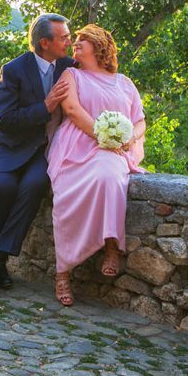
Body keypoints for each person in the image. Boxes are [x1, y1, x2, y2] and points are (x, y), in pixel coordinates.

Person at [46, 24, 146, 306]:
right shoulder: (71, 75)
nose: (75, 45)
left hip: (111, 150)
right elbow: (73, 111)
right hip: (76, 145)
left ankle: (112, 245)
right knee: (64, 195)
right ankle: (63, 271)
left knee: (110, 177)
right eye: (74, 40)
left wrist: (126, 139)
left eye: (81, 41)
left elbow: (140, 120)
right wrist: (105, 135)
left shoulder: (124, 82)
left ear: (99, 45)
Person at [0, 13, 76, 294]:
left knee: (35, 185)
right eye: (64, 37)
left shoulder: (69, 67)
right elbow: (5, 119)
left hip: (42, 149)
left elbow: (98, 68)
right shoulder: (13, 70)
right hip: (9, 145)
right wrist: (44, 108)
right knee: (2, 186)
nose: (69, 42)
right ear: (45, 43)